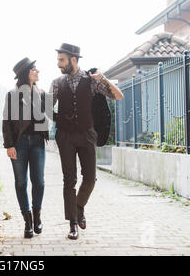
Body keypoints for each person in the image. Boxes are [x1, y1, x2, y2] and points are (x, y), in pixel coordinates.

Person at [50, 43, 123, 240]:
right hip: (65, 136)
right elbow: (46, 108)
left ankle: (79, 207)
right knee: (69, 180)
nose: (58, 64)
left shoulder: (91, 81)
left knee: (90, 178)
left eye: (61, 60)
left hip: (87, 134)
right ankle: (72, 223)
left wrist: (103, 78)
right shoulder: (57, 82)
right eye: (58, 60)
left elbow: (118, 95)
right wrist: (59, 119)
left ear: (74, 59)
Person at [2, 57, 49, 238]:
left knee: (39, 182)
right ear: (25, 73)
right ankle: (27, 221)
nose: (38, 72)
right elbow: (6, 122)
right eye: (34, 69)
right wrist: (9, 145)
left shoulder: (42, 93)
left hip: (37, 142)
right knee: (21, 183)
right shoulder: (12, 95)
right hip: (19, 144)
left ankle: (37, 216)